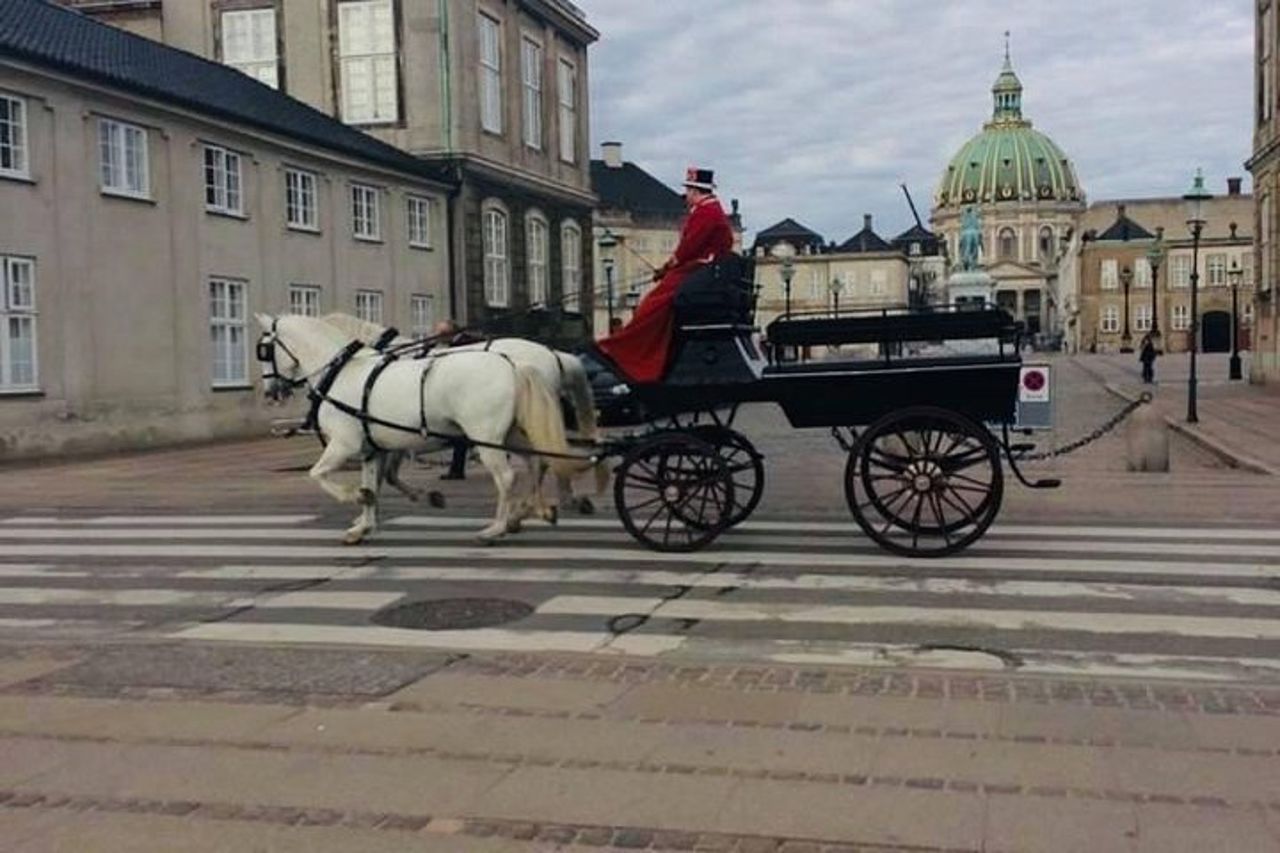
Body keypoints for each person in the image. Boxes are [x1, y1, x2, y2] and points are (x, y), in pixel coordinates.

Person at [594, 167, 735, 383]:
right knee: (653, 302)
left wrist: (668, 267)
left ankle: (626, 349)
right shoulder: (710, 211)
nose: (685, 195)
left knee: (652, 304)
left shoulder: (706, 212)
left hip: (698, 270)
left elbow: (689, 247)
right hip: (702, 269)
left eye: (688, 190)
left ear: (696, 191)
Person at [432, 319, 482, 480]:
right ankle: (457, 469)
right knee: (460, 436)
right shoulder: (457, 342)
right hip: (467, 393)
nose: (438, 338)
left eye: (440, 334)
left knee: (460, 436)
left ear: (449, 333)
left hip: (471, 393)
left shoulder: (465, 343)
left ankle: (457, 470)